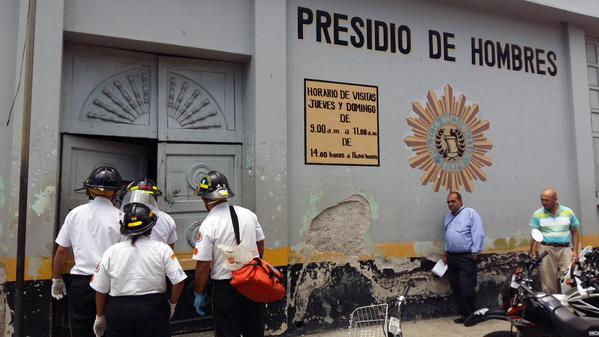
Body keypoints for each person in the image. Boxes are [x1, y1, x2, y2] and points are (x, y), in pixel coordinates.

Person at [90, 202, 187, 337]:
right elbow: (179, 281)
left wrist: (100, 316)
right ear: (151, 227)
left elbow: (100, 289)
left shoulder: (111, 252)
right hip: (154, 309)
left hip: (119, 311)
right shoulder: (163, 249)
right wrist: (172, 304)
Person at [51, 166, 123, 337]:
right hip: (110, 284)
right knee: (108, 331)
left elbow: (61, 251)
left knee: (80, 330)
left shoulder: (74, 214)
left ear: (90, 189)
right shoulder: (120, 216)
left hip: (81, 285)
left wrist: (56, 278)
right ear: (114, 193)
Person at [192, 170, 266, 337]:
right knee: (254, 331)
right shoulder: (249, 215)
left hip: (227, 290)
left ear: (204, 198)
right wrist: (254, 263)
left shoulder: (208, 224)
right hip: (253, 283)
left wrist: (198, 292)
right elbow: (260, 244)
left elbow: (203, 265)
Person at [529, 188, 581, 294]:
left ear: (555, 199)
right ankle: (553, 309)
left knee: (568, 280)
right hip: (546, 250)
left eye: (546, 200)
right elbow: (535, 234)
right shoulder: (537, 214)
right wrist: (533, 253)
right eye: (542, 200)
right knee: (548, 284)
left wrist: (575, 252)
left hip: (565, 249)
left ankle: (569, 309)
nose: (544, 202)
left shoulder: (567, 212)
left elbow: (575, 232)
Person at [443, 191, 485, 324]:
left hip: (466, 257)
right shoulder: (448, 217)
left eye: (453, 201)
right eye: (448, 202)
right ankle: (463, 314)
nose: (450, 204)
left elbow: (478, 233)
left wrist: (474, 253)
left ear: (461, 201)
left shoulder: (470, 213)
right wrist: (446, 253)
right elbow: (447, 236)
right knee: (456, 286)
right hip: (452, 257)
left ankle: (471, 315)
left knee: (466, 286)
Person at [125, 178, 177, 249]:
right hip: (158, 258)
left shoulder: (125, 217)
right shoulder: (167, 219)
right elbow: (171, 247)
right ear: (154, 196)